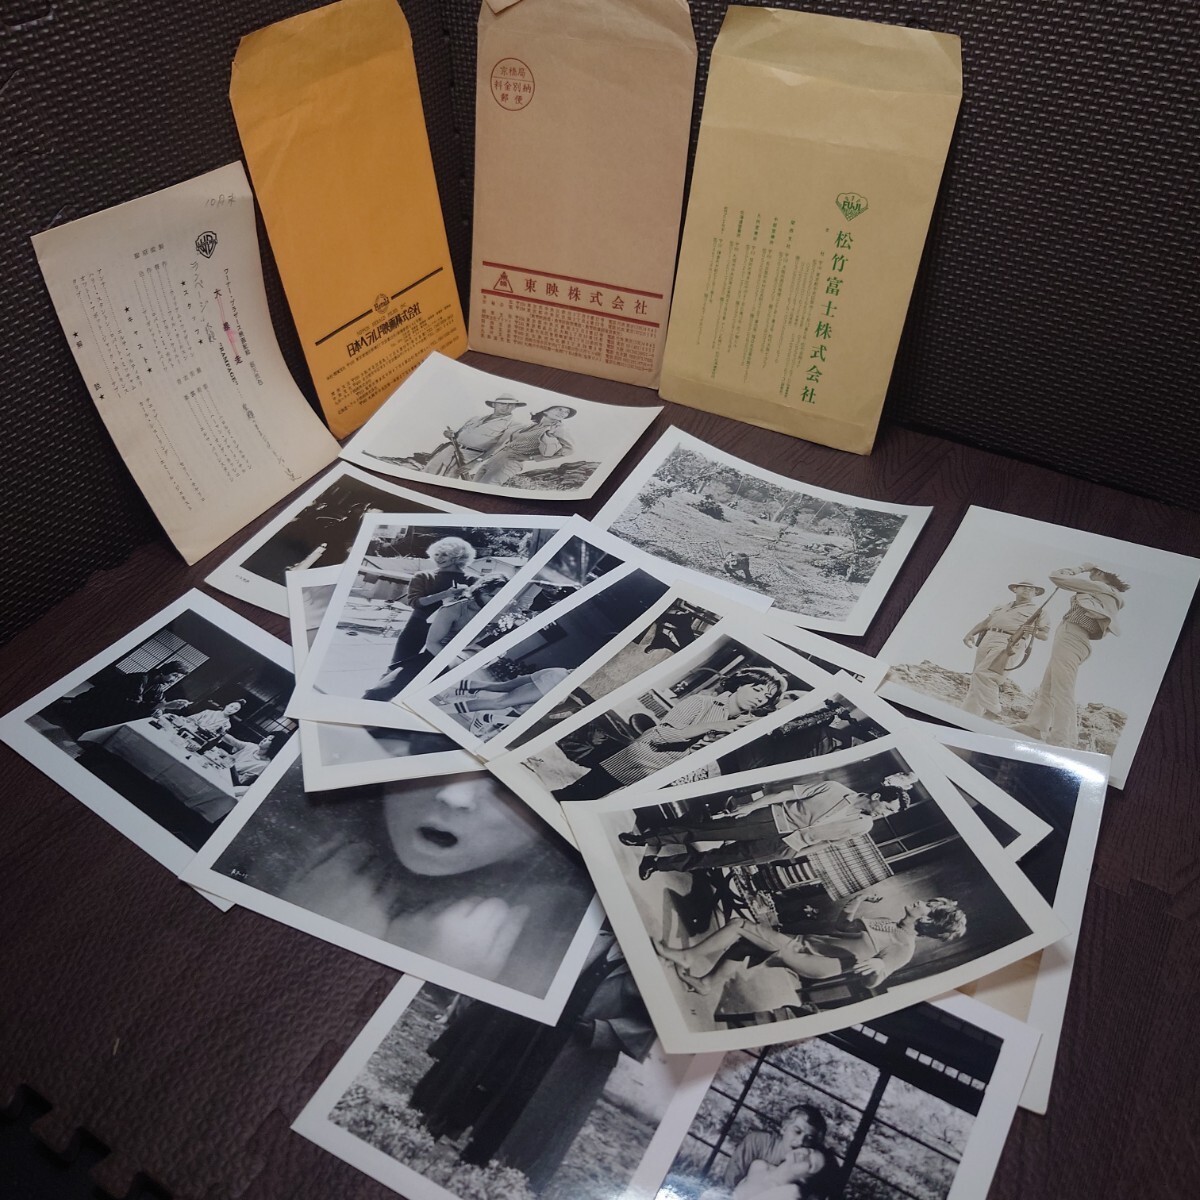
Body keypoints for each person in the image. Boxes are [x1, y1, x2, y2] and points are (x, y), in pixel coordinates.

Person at [227, 769, 593, 996]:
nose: (454, 795)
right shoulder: (280, 820)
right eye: (439, 756)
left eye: (508, 782)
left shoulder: (564, 936)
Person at [409, 928, 654, 1193]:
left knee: (527, 1113)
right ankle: (435, 1136)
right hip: (532, 1032)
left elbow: (648, 1026)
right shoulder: (596, 937)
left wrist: (601, 1030)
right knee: (494, 1087)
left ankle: (482, 1173)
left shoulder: (652, 972)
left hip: (575, 1053)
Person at [657, 892, 966, 998]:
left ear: (929, 921)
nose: (921, 902)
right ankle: (706, 983)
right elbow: (842, 927)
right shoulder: (889, 923)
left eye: (928, 906)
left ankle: (687, 957)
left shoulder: (904, 947)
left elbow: (872, 981)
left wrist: (879, 967)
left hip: (818, 962)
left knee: (741, 926)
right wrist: (857, 901)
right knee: (748, 944)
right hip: (813, 943)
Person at [550, 667, 790, 802]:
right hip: (638, 760)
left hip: (661, 776)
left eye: (766, 697)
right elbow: (661, 735)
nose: (760, 698)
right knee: (571, 797)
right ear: (740, 684)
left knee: (591, 804)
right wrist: (715, 726)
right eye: (757, 689)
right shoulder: (701, 702)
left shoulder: (741, 725)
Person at [625, 781, 908, 877]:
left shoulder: (864, 825)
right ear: (877, 796)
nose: (886, 814)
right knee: (706, 831)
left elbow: (828, 845)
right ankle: (647, 839)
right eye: (888, 807)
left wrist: (793, 853)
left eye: (891, 814)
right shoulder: (834, 788)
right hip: (771, 818)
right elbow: (786, 794)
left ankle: (658, 865)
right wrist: (750, 807)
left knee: (720, 860)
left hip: (786, 846)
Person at [1014, 563, 1129, 747]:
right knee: (1049, 686)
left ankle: (1064, 739)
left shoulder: (1100, 587)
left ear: (1101, 573)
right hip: (1073, 636)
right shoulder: (1105, 591)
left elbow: (1056, 576)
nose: (1090, 574)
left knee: (1062, 689)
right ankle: (1036, 727)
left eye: (1093, 571)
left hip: (1072, 635)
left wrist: (1081, 567)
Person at [362, 536, 477, 701]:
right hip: (417, 627)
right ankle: (373, 699)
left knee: (431, 671)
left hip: (449, 633)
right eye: (436, 554)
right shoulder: (424, 576)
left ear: (458, 557)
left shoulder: (473, 580)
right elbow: (415, 602)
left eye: (444, 554)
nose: (438, 558)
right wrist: (445, 594)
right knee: (397, 667)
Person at [960, 581, 1050, 717]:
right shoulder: (1001, 607)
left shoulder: (1039, 612)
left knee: (986, 675)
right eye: (1023, 587)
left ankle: (994, 712)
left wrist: (1034, 631)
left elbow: (1044, 635)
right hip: (988, 637)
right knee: (976, 678)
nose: (1027, 590)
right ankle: (968, 715)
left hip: (1010, 642)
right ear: (1015, 589)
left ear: (1035, 593)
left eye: (1031, 589)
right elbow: (986, 622)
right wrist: (970, 633)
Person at [422, 395, 526, 478]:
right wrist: (449, 434)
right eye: (502, 403)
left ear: (514, 407)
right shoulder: (475, 419)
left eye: (510, 405)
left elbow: (498, 447)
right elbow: (457, 435)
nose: (506, 407)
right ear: (494, 404)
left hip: (469, 457)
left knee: (449, 480)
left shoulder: (513, 425)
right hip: (449, 449)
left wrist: (474, 463)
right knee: (427, 473)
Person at [472, 404, 577, 486]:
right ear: (545, 410)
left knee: (484, 489)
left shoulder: (559, 429)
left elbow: (569, 450)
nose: (563, 413)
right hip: (495, 459)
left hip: (510, 463)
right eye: (559, 409)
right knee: (474, 486)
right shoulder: (532, 426)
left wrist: (532, 458)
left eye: (566, 412)